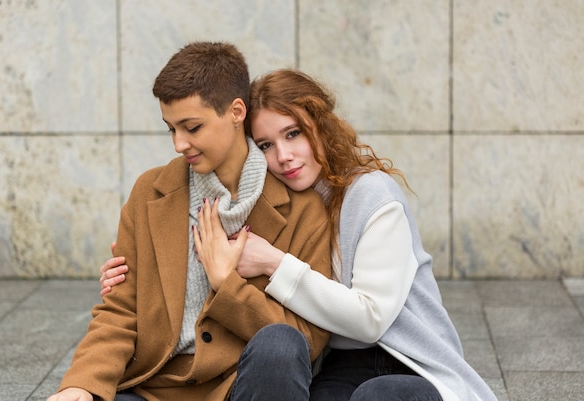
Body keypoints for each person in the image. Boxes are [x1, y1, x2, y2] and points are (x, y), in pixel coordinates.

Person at [101, 69, 499, 401]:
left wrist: (274, 263)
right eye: (266, 145)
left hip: (405, 359)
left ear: (321, 127)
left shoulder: (372, 194)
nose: (283, 156)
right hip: (333, 366)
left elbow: (370, 320)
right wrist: (138, 273)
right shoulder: (289, 202)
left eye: (294, 134)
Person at [49, 44, 331, 401]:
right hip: (152, 388)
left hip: (238, 388)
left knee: (280, 344)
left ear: (236, 112)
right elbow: (120, 310)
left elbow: (304, 341)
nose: (179, 144)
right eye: (171, 129)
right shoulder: (150, 193)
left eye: (192, 127)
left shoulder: (303, 210)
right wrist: (81, 383)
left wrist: (227, 284)